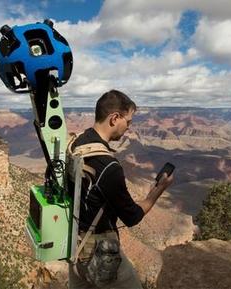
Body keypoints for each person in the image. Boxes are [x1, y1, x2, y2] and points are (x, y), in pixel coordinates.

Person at [68, 89, 174, 289]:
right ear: (115, 118)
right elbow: (132, 216)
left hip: (73, 248)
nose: (129, 128)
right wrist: (158, 190)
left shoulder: (77, 143)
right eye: (128, 121)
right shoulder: (108, 166)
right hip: (97, 253)